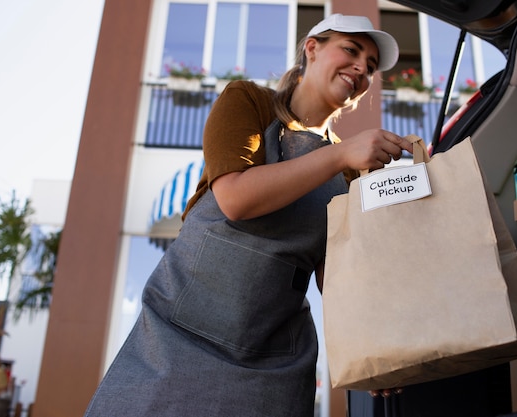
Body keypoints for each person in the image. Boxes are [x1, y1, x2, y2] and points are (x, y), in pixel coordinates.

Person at [85, 13, 412, 417]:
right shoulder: (248, 102)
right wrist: (341, 153)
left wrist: (375, 346)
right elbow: (236, 199)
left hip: (273, 363)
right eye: (351, 49)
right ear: (312, 48)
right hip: (176, 340)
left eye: (372, 66)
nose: (362, 68)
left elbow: (335, 276)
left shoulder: (348, 167)